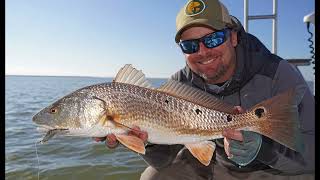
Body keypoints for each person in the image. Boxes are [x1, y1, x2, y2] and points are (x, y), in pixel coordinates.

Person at [95, 0, 315, 179]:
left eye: (213, 39)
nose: (202, 51)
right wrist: (146, 140)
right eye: (190, 45)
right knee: (152, 177)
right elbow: (165, 159)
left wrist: (262, 149)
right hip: (217, 165)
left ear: (234, 37)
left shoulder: (277, 73)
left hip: (273, 170)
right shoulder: (178, 85)